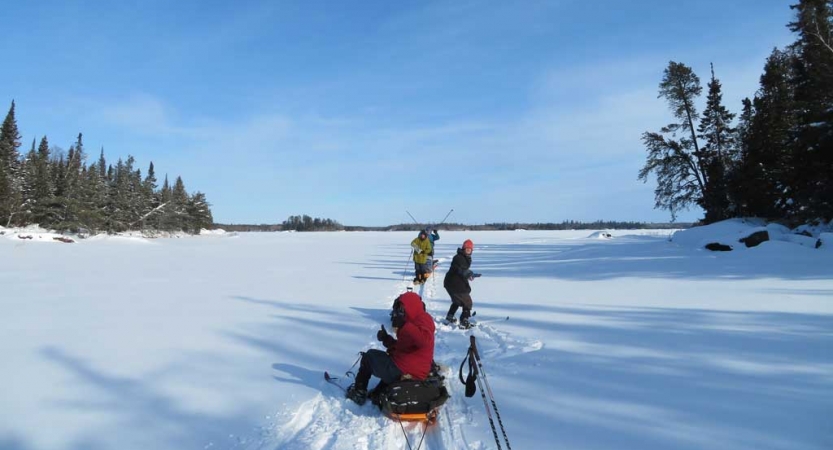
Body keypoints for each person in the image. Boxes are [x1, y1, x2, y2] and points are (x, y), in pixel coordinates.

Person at [346, 291, 436, 405]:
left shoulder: (423, 320)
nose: (401, 312)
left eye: (403, 308)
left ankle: (358, 393)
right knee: (382, 358)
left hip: (408, 370)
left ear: (411, 306)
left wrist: (404, 325)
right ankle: (379, 392)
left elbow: (424, 341)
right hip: (408, 367)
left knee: (369, 357)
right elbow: (403, 347)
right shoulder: (413, 321)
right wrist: (386, 339)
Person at [443, 239, 481, 329]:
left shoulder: (465, 257)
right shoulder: (458, 258)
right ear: (463, 248)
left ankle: (449, 317)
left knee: (457, 301)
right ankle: (464, 321)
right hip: (453, 283)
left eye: (470, 249)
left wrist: (468, 275)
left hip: (452, 282)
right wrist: (469, 274)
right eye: (466, 248)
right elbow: (460, 269)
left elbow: (462, 271)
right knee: (467, 302)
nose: (468, 250)